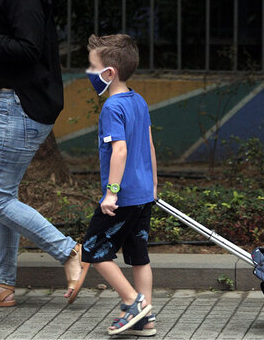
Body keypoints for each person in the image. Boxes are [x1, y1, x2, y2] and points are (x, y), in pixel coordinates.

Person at [0, 0, 86, 306]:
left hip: (17, 106)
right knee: (3, 196)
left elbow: (27, 49)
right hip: (5, 104)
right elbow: (5, 28)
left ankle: (69, 251)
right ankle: (1, 283)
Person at [79, 33, 158, 336]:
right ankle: (146, 319)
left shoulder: (112, 107)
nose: (89, 73)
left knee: (94, 249)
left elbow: (120, 150)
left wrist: (111, 193)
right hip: (143, 194)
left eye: (92, 66)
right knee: (139, 254)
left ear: (108, 73)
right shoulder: (138, 100)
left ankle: (132, 303)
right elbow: (149, 145)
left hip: (122, 197)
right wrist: (153, 184)